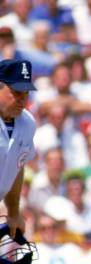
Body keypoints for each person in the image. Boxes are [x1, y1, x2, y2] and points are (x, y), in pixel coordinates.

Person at [0, 59, 37, 239]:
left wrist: (13, 211)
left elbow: (17, 164)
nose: (22, 98)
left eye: (26, 92)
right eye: (16, 92)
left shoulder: (27, 123)